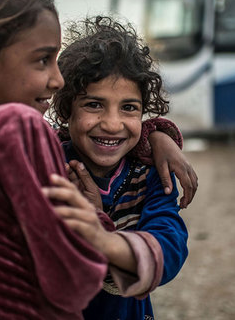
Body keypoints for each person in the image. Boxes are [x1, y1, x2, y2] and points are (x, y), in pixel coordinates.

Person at [0, 0, 194, 319]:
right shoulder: (26, 134)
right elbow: (71, 280)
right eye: (43, 60)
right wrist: (96, 226)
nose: (56, 78)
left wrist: (157, 134)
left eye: (130, 109)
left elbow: (170, 240)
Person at [46, 16, 189, 320]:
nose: (112, 125)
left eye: (129, 108)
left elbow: (171, 244)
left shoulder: (149, 173)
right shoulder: (49, 166)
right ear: (65, 109)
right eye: (94, 105)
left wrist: (100, 232)